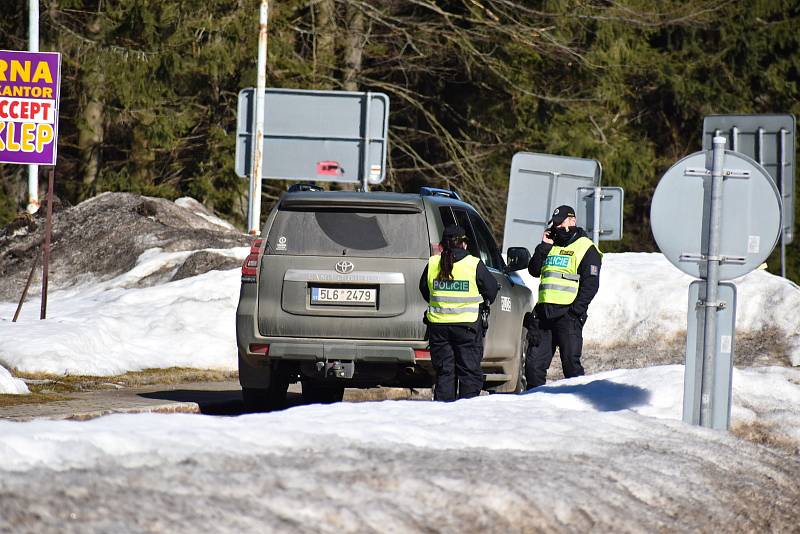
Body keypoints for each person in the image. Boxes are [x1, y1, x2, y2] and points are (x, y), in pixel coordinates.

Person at [419, 225, 499, 401]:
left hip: (438, 328)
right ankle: (466, 416)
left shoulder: (433, 263)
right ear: (463, 244)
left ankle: (444, 415)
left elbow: (424, 290)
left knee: (444, 373)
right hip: (467, 328)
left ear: (443, 245)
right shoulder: (473, 264)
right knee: (469, 373)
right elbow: (491, 290)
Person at [525, 205, 602, 389]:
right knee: (533, 368)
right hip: (544, 315)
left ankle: (577, 406)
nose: (557, 227)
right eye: (555, 224)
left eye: (561, 223)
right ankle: (533, 409)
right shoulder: (551, 244)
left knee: (571, 367)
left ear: (572, 221)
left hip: (568, 316)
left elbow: (591, 285)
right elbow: (534, 270)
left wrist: (575, 312)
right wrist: (544, 246)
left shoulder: (586, 248)